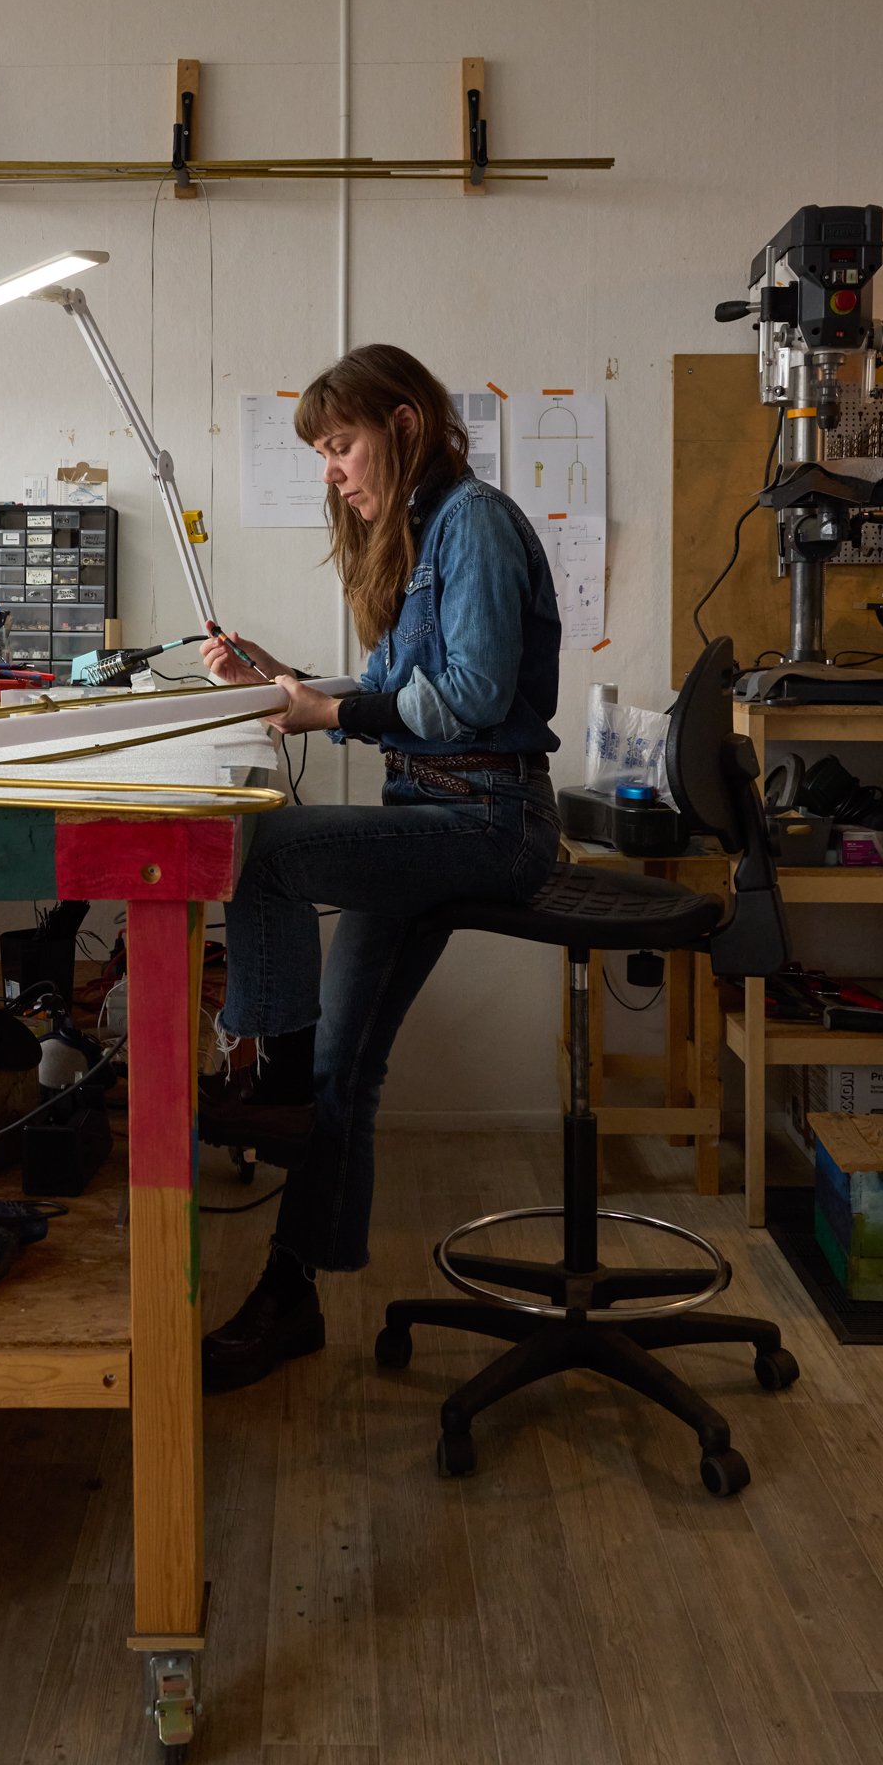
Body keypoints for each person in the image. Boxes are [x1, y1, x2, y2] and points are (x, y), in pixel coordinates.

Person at [198, 343, 563, 1391]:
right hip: (433, 812)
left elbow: (473, 702)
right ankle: (289, 1297)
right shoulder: (422, 537)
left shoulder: (475, 523)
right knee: (340, 1072)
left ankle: (259, 1071)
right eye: (319, 451)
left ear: (404, 426)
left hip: (487, 822)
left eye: (340, 443)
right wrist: (281, 682)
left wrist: (335, 710)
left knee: (264, 848)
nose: (330, 469)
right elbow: (387, 689)